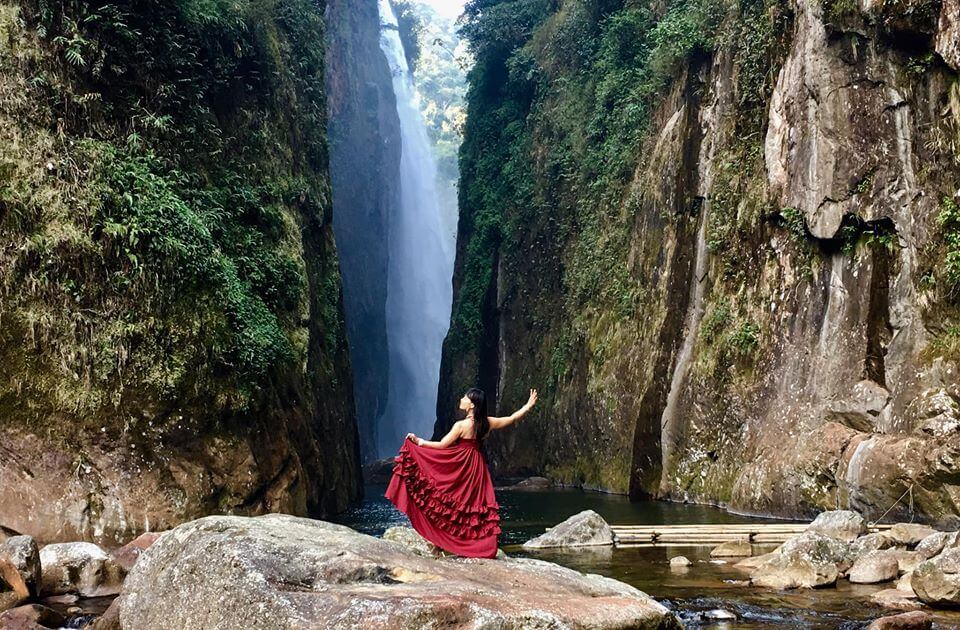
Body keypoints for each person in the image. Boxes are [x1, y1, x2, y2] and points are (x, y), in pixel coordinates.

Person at [384, 387, 538, 558]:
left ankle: (438, 540)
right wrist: (528, 406)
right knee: (472, 506)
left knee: (448, 500)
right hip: (477, 467)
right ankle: (471, 545)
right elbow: (511, 418)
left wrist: (419, 442)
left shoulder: (462, 425)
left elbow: (442, 445)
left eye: (465, 397)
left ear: (471, 404)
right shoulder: (486, 423)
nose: (462, 399)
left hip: (460, 464)